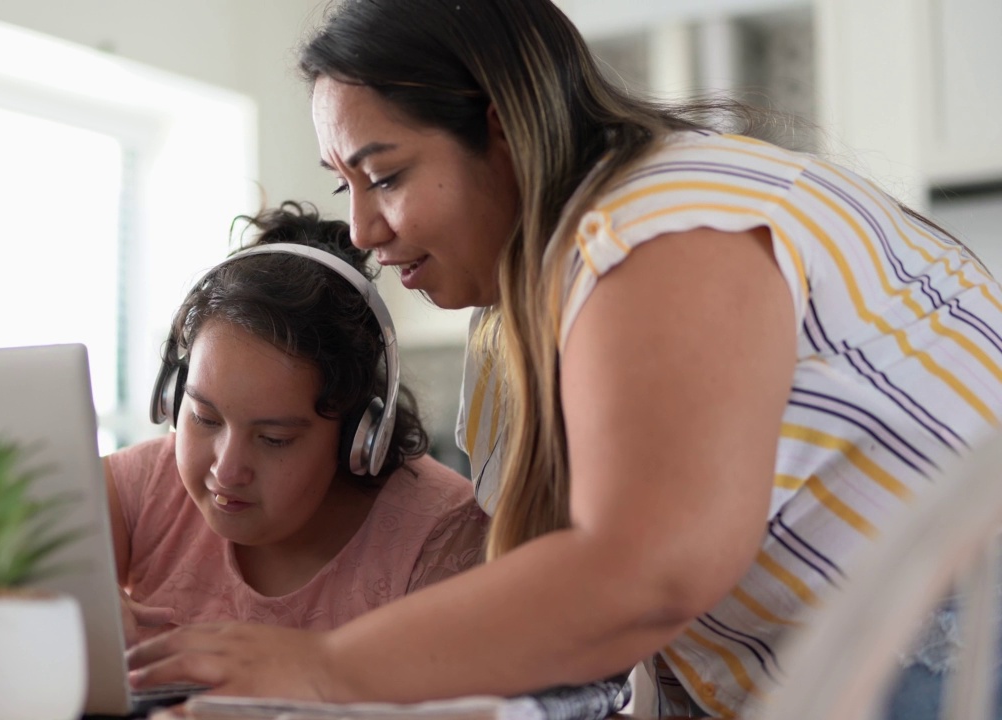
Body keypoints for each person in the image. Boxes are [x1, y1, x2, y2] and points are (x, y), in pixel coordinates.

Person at [124, 1, 1002, 718]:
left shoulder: (655, 231)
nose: (362, 230)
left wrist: (323, 668)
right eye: (342, 184)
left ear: (499, 131)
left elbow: (646, 571)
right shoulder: (558, 283)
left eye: (384, 175)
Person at [106, 201, 488, 647]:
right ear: (173, 396)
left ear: (356, 437)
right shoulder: (143, 488)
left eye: (274, 439)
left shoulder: (444, 540)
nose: (226, 471)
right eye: (205, 418)